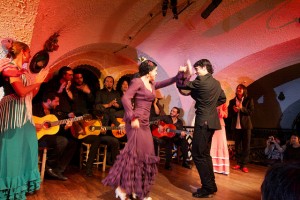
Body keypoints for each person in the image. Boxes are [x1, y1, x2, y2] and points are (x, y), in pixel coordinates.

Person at [102, 59, 182, 200]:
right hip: (136, 122)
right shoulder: (137, 81)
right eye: (155, 71)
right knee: (135, 155)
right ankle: (123, 187)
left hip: (145, 124)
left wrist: (177, 76)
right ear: (149, 71)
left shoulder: (151, 84)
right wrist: (132, 118)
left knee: (146, 156)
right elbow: (126, 98)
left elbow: (166, 82)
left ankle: (138, 190)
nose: (157, 73)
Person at [0, 41, 48, 199]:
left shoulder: (23, 71)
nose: (30, 55)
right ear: (23, 52)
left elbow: (30, 95)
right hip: (13, 112)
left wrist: (37, 83)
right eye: (29, 52)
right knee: (13, 149)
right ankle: (10, 187)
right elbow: (20, 92)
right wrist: (38, 81)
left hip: (25, 112)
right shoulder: (11, 68)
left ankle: (24, 182)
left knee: (30, 146)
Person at [176, 59, 226, 198]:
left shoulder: (201, 80)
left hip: (203, 122)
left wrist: (182, 73)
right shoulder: (216, 82)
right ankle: (211, 185)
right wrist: (208, 104)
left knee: (197, 154)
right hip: (212, 122)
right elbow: (223, 98)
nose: (196, 72)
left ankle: (207, 187)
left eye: (197, 69)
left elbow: (182, 84)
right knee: (204, 154)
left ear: (204, 68)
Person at [33, 92, 77, 181]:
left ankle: (58, 170)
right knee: (62, 141)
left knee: (73, 143)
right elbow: (25, 120)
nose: (58, 104)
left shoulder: (54, 112)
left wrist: (65, 127)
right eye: (56, 101)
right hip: (36, 137)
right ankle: (49, 167)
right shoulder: (35, 108)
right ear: (49, 101)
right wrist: (33, 125)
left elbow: (56, 129)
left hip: (49, 137)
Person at [228, 84, 254, 173]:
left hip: (246, 126)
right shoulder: (232, 101)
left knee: (246, 146)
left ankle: (244, 165)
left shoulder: (248, 100)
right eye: (237, 88)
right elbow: (229, 114)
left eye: (240, 88)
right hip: (236, 126)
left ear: (244, 90)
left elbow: (251, 112)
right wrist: (234, 111)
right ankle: (238, 163)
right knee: (237, 146)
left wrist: (241, 108)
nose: (238, 89)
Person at [210, 103, 230, 175]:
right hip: (211, 124)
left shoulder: (223, 103)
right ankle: (211, 166)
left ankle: (221, 168)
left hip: (220, 124)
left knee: (221, 144)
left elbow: (226, 115)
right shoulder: (211, 100)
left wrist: (220, 111)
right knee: (213, 144)